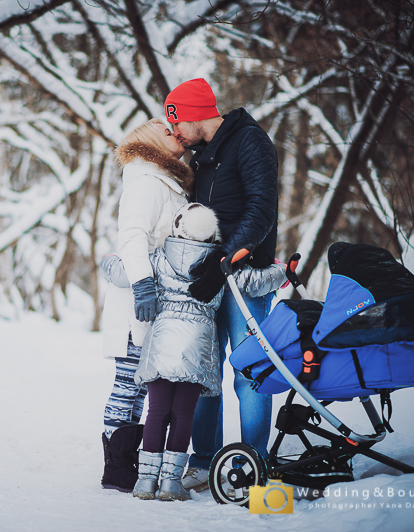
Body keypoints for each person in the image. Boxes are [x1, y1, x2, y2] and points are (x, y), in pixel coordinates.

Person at [101, 204, 287, 501]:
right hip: (196, 352)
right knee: (183, 415)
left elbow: (123, 273)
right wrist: (283, 271)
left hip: (162, 348)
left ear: (177, 226)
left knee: (157, 412)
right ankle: (171, 483)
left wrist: (110, 261)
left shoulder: (160, 259)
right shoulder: (218, 264)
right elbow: (253, 283)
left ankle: (146, 482)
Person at [163, 78, 279, 492]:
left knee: (249, 371)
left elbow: (261, 208)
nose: (173, 131)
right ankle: (205, 459)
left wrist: (225, 256)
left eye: (175, 121)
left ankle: (254, 463)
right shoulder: (201, 155)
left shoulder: (250, 142)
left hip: (243, 277)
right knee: (203, 371)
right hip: (207, 276)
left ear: (195, 113)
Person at [100, 117, 193, 492]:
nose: (179, 134)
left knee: (139, 387)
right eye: (170, 132)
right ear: (155, 142)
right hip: (136, 304)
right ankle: (116, 467)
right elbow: (133, 237)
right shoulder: (145, 183)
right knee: (127, 384)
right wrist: (142, 286)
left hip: (157, 302)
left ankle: (124, 463)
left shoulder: (164, 181)